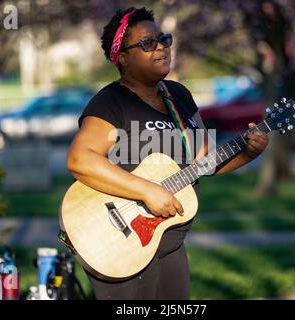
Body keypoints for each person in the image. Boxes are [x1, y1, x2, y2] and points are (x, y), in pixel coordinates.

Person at [66, 7, 269, 300]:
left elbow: (204, 161)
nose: (161, 46)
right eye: (148, 43)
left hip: (168, 241)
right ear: (122, 58)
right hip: (119, 241)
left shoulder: (179, 96)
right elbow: (79, 159)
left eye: (164, 39)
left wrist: (248, 152)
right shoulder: (111, 102)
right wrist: (147, 191)